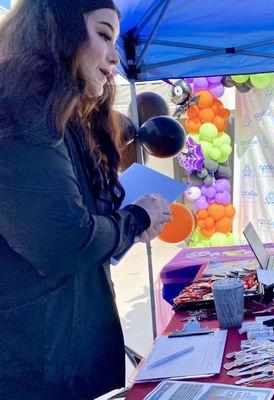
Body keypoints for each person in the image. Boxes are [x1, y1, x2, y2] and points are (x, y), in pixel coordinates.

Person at [0, 1, 172, 399]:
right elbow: (65, 241)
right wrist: (135, 219)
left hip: (73, 354)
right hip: (37, 368)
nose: (115, 55)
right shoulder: (22, 112)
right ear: (58, 31)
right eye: (104, 35)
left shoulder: (60, 112)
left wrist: (127, 227)